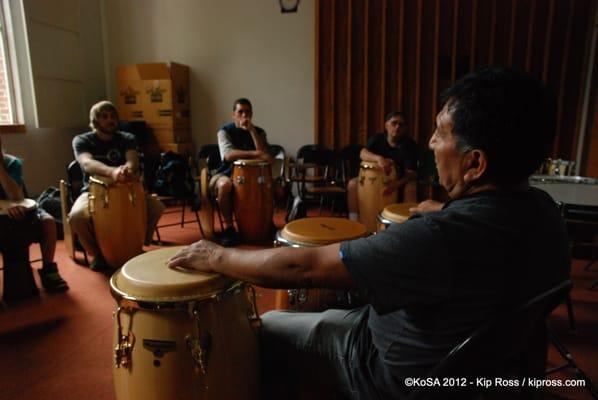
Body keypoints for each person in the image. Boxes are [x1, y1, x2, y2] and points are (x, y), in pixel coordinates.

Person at [167, 68, 570, 399]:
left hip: (385, 369)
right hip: (477, 368)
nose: (430, 143)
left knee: (264, 328)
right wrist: (448, 208)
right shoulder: (545, 214)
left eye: (440, 132)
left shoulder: (437, 239)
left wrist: (216, 256)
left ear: (475, 163)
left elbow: (303, 266)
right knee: (330, 310)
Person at [69, 101, 165, 272]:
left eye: (113, 116)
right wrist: (112, 172)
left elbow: (132, 160)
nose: (110, 120)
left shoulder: (127, 138)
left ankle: (137, 245)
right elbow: (86, 163)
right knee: (77, 217)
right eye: (105, 117)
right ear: (96, 120)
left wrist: (127, 169)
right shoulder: (82, 140)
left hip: (127, 188)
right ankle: (98, 254)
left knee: (156, 207)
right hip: (94, 190)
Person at [0, 136, 68, 291]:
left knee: (48, 222)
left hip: (21, 208)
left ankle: (48, 268)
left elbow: (16, 196)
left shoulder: (12, 163)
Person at [210, 98, 273, 246]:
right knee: (225, 185)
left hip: (253, 176)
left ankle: (265, 224)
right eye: (240, 112)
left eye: (248, 112)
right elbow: (228, 155)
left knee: (273, 186)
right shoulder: (224, 131)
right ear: (234, 115)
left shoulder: (259, 132)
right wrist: (256, 154)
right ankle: (229, 228)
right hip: (224, 173)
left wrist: (251, 131)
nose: (244, 115)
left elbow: (265, 153)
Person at [346, 111, 418, 222]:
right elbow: (362, 153)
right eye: (394, 123)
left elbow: (411, 173)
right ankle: (354, 222)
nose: (397, 126)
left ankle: (406, 225)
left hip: (400, 181)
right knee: (352, 184)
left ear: (404, 129)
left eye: (401, 124)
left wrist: (396, 185)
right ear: (386, 125)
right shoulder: (377, 139)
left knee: (411, 187)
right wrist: (379, 159)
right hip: (374, 179)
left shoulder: (409, 145)